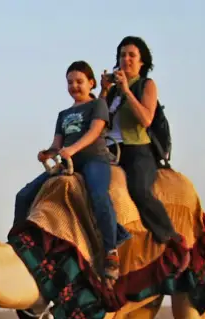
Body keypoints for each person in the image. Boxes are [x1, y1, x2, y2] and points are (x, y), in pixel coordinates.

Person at [14, 61, 130, 285]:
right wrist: (48, 153)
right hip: (66, 162)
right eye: (70, 82)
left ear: (91, 83)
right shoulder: (63, 114)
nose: (74, 86)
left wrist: (73, 150)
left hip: (94, 160)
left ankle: (111, 250)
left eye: (79, 81)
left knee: (98, 195)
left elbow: (95, 131)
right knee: (23, 196)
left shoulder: (97, 105)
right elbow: (57, 144)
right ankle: (19, 246)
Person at [100, 36, 186, 251]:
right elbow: (98, 121)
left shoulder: (146, 85)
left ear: (141, 62)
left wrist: (127, 91)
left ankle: (171, 236)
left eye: (131, 55)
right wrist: (103, 90)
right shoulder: (112, 92)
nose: (126, 59)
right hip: (110, 150)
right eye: (122, 55)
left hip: (137, 150)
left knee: (139, 190)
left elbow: (146, 119)